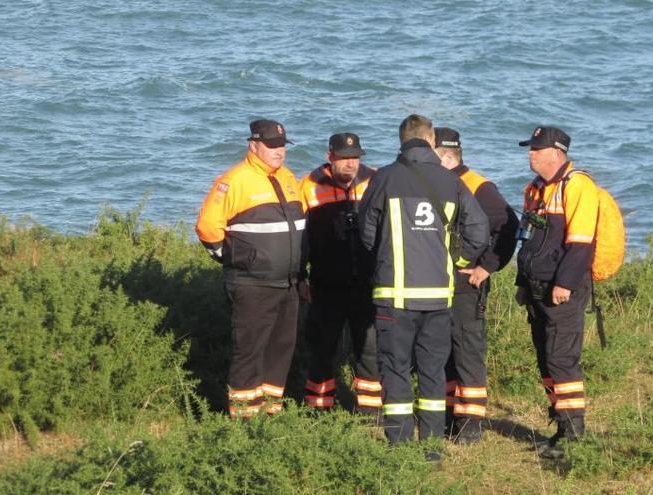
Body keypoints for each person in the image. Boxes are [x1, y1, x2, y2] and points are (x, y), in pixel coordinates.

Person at [359, 114, 489, 459]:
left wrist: (385, 255)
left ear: (402, 140)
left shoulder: (384, 178)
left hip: (395, 297)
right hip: (438, 298)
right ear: (431, 141)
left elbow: (367, 232)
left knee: (396, 370)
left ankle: (400, 450)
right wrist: (457, 262)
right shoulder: (451, 181)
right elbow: (479, 229)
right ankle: (432, 451)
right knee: (432, 373)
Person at [195, 119, 306, 419]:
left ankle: (270, 415)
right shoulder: (234, 180)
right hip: (252, 283)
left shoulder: (287, 177)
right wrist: (236, 258)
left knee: (280, 350)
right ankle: (244, 422)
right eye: (271, 146)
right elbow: (207, 227)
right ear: (253, 145)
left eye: (282, 145)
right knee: (249, 351)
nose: (278, 151)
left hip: (288, 283)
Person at [514, 126, 599, 459]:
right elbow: (528, 241)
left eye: (536, 148)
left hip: (563, 289)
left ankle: (574, 435)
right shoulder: (535, 188)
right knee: (546, 358)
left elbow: (580, 245)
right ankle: (562, 426)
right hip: (536, 288)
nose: (530, 154)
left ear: (556, 153)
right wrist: (522, 285)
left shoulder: (578, 186)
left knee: (562, 359)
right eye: (530, 148)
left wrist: (564, 284)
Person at [433, 127, 519, 444]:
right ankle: (448, 416)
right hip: (439, 283)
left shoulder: (479, 186)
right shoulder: (439, 182)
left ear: (445, 154)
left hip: (467, 284)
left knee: (467, 351)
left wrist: (487, 266)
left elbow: (509, 226)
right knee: (441, 351)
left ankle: (470, 423)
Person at [299, 132, 382, 417]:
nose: (351, 164)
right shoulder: (309, 186)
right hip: (325, 284)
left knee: (370, 349)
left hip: (367, 284)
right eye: (345, 158)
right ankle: (318, 411)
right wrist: (300, 276)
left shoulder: (375, 180)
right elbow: (298, 238)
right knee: (321, 348)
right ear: (329, 157)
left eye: (356, 158)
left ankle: (371, 413)